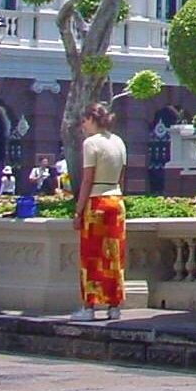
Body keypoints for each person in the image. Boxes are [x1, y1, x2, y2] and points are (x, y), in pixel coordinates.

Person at [73, 103, 127, 322]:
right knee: (114, 255)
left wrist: (78, 210)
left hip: (97, 201)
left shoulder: (90, 144)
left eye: (85, 121)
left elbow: (87, 179)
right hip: (116, 200)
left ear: (92, 119)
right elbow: (122, 175)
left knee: (92, 256)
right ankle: (114, 305)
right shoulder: (119, 142)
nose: (83, 126)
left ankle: (89, 306)